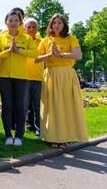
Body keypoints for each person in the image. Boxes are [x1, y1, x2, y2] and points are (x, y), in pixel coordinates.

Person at [35, 14, 88, 147]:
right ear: (51, 25)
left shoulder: (71, 38)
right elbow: (36, 59)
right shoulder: (46, 40)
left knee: (66, 106)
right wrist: (50, 55)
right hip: (51, 75)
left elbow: (78, 55)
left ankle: (66, 137)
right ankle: (52, 137)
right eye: (54, 23)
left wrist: (61, 54)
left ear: (64, 25)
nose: (56, 25)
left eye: (59, 23)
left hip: (67, 75)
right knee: (52, 107)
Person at [0, 10, 38, 146]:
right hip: (4, 76)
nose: (13, 23)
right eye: (10, 20)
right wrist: (8, 52)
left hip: (21, 76)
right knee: (7, 105)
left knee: (20, 106)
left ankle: (19, 135)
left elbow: (35, 54)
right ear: (6, 23)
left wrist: (19, 51)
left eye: (15, 20)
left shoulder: (27, 38)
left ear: (20, 22)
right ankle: (8, 135)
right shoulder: (0, 38)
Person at [23, 18, 44, 136]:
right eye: (29, 27)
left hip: (38, 78)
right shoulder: (21, 41)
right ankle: (21, 131)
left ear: (37, 29)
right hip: (24, 77)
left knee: (38, 107)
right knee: (23, 106)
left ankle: (39, 130)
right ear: (24, 28)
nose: (31, 29)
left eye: (34, 27)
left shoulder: (43, 41)